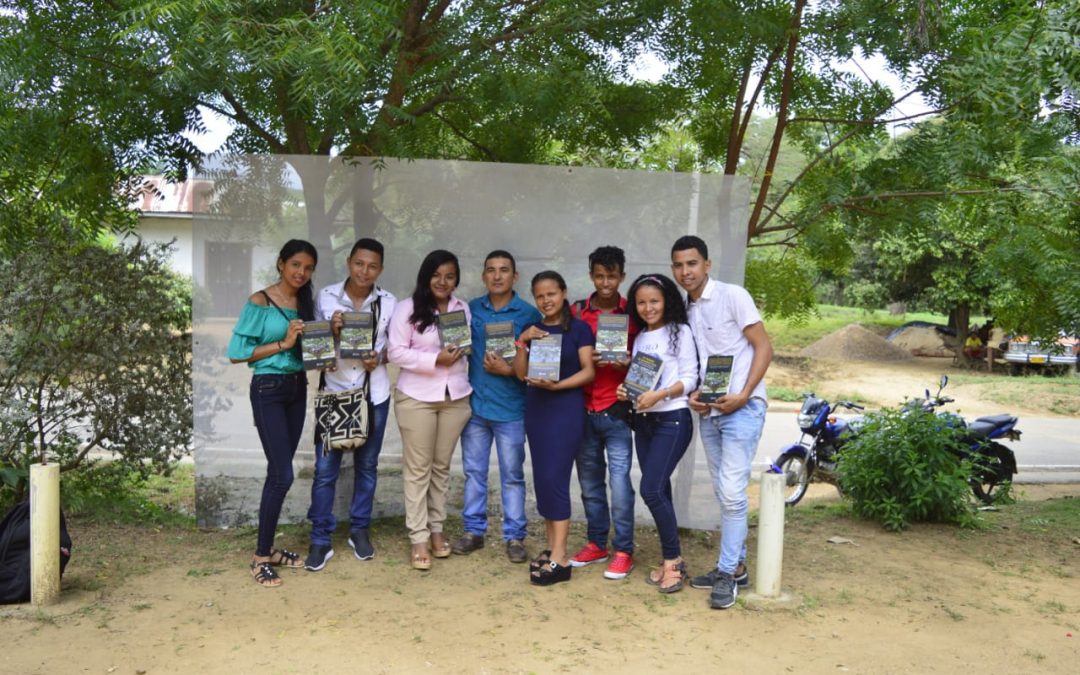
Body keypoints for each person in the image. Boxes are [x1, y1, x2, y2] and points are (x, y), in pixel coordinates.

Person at [671, 235, 772, 610]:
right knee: (723, 492)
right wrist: (696, 395)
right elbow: (698, 363)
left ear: (707, 265)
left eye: (692, 264)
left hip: (743, 409)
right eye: (679, 265)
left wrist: (745, 394)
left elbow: (765, 347)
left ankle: (727, 573)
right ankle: (737, 565)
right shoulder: (687, 310)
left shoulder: (733, 296)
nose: (686, 271)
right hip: (710, 412)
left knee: (731, 493)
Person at [226, 239, 318, 588]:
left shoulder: (305, 302)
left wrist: (329, 336)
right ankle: (260, 558)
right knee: (283, 475)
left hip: (297, 388)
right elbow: (237, 352)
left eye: (308, 268)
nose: (301, 273)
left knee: (276, 473)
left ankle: (269, 551)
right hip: (268, 389)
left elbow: (313, 351)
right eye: (295, 265)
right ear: (281, 264)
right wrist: (284, 344)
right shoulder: (260, 301)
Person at [304, 238, 397, 571]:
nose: (364, 271)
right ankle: (320, 539)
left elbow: (395, 348)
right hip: (335, 392)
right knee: (325, 471)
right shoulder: (326, 296)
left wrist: (380, 358)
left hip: (374, 394)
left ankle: (360, 530)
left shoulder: (389, 302)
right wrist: (330, 334)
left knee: (367, 468)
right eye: (359, 263)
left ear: (380, 269)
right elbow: (315, 342)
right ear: (349, 262)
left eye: (372, 266)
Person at [453, 251, 541, 563]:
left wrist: (511, 370)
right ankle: (473, 531)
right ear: (483, 276)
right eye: (491, 270)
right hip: (476, 406)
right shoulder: (470, 309)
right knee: (474, 472)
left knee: (512, 475)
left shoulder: (529, 315)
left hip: (512, 409)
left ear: (515, 277)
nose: (497, 276)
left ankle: (515, 537)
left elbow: (539, 365)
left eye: (504, 270)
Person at [387, 250, 473, 571]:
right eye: (436, 275)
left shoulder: (461, 309)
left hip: (455, 397)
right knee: (419, 469)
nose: (443, 281)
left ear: (456, 279)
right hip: (417, 398)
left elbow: (465, 347)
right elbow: (395, 352)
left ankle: (437, 531)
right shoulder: (406, 309)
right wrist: (434, 360)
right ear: (426, 276)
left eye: (449, 276)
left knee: (441, 468)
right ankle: (419, 537)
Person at [512, 271, 595, 586]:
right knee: (543, 480)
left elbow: (588, 372)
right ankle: (551, 547)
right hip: (537, 410)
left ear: (563, 293)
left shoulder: (579, 329)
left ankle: (561, 558)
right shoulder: (530, 330)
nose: (546, 300)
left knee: (556, 480)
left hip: (565, 410)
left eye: (552, 294)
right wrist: (523, 342)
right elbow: (521, 375)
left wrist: (558, 385)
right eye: (540, 296)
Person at [616, 273, 698, 592]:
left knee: (650, 489)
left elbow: (690, 378)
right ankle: (671, 561)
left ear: (667, 301)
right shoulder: (639, 338)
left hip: (673, 420)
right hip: (645, 421)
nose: (648, 307)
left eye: (654, 301)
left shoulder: (680, 332)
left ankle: (673, 561)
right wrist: (628, 391)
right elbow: (641, 382)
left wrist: (660, 395)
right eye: (641, 302)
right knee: (658, 490)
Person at [568, 246, 640, 580]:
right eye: (599, 275)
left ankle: (624, 548)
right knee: (590, 484)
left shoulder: (635, 312)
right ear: (591, 276)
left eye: (612, 276)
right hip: (583, 408)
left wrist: (629, 364)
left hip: (617, 410)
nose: (606, 282)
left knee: (621, 484)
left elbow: (650, 357)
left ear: (622, 276)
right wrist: (583, 361)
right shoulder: (578, 311)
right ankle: (597, 543)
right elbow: (564, 352)